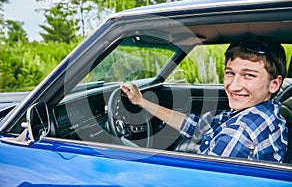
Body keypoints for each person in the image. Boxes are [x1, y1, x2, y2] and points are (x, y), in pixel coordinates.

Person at [121, 36, 288, 162]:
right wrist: (142, 102)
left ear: (274, 84)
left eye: (248, 75)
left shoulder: (238, 133)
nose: (233, 86)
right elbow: (196, 126)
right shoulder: (266, 110)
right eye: (230, 73)